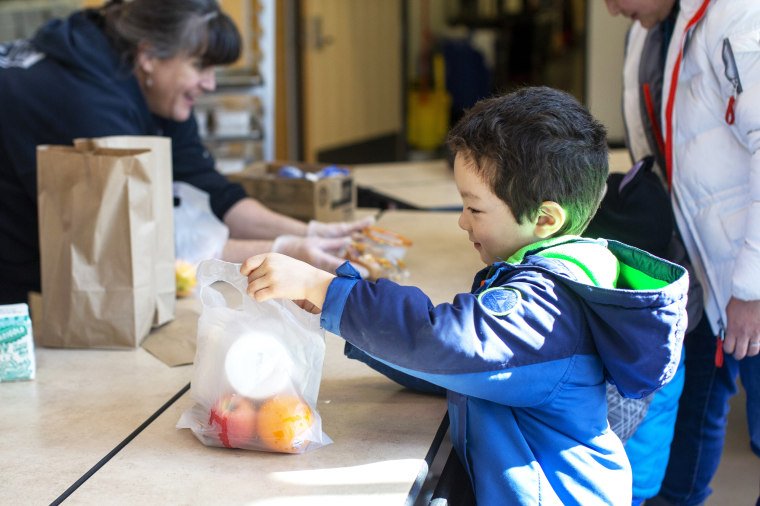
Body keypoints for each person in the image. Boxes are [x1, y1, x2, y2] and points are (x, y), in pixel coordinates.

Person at [239, 86, 690, 505]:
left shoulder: (545, 305)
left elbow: (448, 341)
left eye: (474, 208)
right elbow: (460, 367)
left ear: (546, 219)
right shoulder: (546, 277)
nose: (461, 221)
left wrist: (326, 289)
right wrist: (339, 304)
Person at [0, 0, 370, 305]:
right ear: (149, 55)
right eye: (200, 66)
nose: (209, 84)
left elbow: (210, 187)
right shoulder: (85, 102)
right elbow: (136, 238)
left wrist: (311, 235)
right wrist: (284, 252)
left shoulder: (149, 85)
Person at [605, 1, 760, 505]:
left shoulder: (738, 16)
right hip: (703, 272)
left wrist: (752, 288)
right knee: (691, 428)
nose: (610, 9)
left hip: (746, 276)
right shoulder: (649, 28)